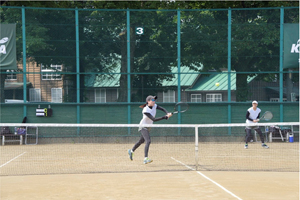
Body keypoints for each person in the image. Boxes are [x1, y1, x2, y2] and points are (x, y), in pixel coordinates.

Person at [128, 95, 172, 164]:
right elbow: (153, 119)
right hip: (143, 126)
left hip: (148, 126)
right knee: (148, 141)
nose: (154, 101)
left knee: (141, 141)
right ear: (148, 101)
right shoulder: (145, 110)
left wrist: (167, 113)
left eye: (155, 100)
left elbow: (162, 109)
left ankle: (131, 151)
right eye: (153, 100)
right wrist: (164, 117)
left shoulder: (155, 106)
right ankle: (145, 158)